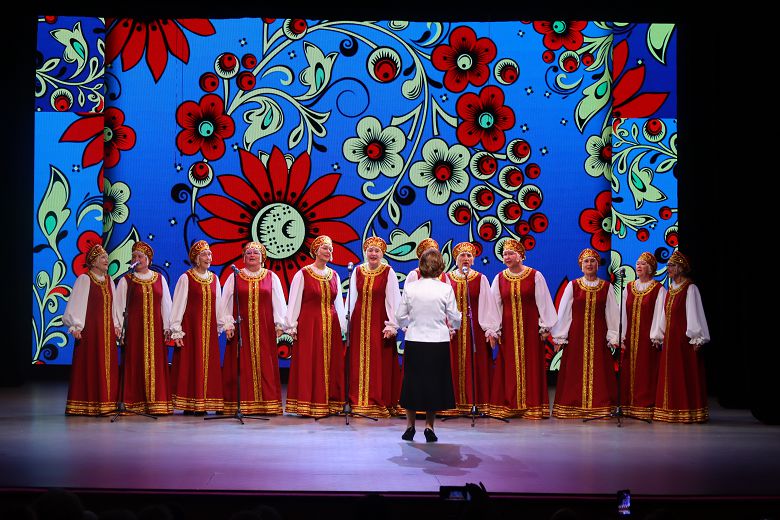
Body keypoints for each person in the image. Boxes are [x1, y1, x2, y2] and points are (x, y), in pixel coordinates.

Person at [396, 247, 462, 442]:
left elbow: (400, 316)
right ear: (440, 267)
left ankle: (410, 426)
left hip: (415, 339)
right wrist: (454, 325)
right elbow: (454, 317)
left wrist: (408, 325)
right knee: (434, 383)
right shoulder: (445, 288)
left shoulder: (411, 288)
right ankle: (429, 426)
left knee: (412, 382)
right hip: (438, 341)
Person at [489, 239, 557, 419]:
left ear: (520, 256)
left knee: (531, 366)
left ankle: (532, 406)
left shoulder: (535, 276)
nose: (507, 257)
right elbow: (494, 306)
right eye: (504, 254)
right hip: (508, 332)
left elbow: (544, 302)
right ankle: (511, 405)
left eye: (511, 253)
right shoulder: (499, 278)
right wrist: (494, 330)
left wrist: (545, 326)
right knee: (509, 367)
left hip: (530, 330)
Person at [550, 248, 619, 419]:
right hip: (576, 337)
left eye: (592, 261)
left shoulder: (606, 287)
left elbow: (612, 313)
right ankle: (573, 405)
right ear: (581, 265)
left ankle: (599, 405)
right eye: (586, 261)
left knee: (600, 370)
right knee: (574, 369)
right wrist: (560, 337)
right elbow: (564, 312)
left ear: (598, 265)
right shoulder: (573, 286)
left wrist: (613, 336)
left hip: (599, 336)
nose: (589, 264)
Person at [284, 235, 348, 417]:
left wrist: (342, 326)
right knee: (309, 362)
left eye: (330, 249)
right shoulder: (303, 274)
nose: (329, 251)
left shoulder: (334, 275)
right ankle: (308, 403)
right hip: (309, 325)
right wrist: (292, 325)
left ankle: (329, 403)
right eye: (325, 248)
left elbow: (339, 304)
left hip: (331, 325)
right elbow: (294, 301)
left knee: (331, 363)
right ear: (316, 251)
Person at [221, 241, 287, 415]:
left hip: (264, 328)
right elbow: (225, 302)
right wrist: (228, 324)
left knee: (265, 364)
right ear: (243, 257)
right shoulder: (234, 277)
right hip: (241, 329)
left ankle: (266, 404)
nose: (252, 255)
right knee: (241, 365)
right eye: (248, 253)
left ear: (262, 258)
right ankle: (240, 404)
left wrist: (279, 324)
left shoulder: (271, 277)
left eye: (256, 253)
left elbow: (279, 302)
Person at [112, 241, 174, 415]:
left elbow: (166, 304)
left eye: (140, 256)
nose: (136, 259)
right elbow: (119, 306)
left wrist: (168, 327)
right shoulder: (126, 280)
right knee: (134, 363)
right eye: (134, 257)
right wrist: (119, 328)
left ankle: (156, 403)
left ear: (148, 260)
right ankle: (133, 402)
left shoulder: (159, 279)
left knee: (156, 365)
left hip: (155, 331)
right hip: (135, 331)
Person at [650, 250, 710, 423]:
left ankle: (686, 410)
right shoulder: (671, 289)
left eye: (672, 265)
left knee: (684, 373)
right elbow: (664, 315)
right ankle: (670, 409)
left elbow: (694, 313)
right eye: (668, 265)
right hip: (671, 340)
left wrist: (696, 337)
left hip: (683, 340)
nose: (669, 268)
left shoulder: (690, 288)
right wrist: (659, 335)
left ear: (681, 268)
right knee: (671, 374)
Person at [346, 236, 402, 417]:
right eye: (370, 250)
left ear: (382, 254)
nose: (373, 253)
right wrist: (347, 324)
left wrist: (392, 325)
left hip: (379, 323)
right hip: (359, 323)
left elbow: (394, 299)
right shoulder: (357, 271)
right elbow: (352, 299)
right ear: (365, 252)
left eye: (377, 251)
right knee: (357, 361)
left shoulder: (388, 272)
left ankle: (378, 401)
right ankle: (358, 401)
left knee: (379, 362)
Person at [442, 241, 500, 417]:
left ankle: (477, 403)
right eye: (462, 255)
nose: (465, 258)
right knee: (451, 364)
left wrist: (490, 329)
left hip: (475, 330)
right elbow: (442, 304)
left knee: (476, 364)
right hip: (453, 331)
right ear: (456, 259)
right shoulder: (447, 278)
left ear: (473, 260)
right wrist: (446, 324)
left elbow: (487, 305)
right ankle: (452, 404)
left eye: (469, 255)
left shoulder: (480, 279)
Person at [168, 240, 224, 415]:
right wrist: (176, 330)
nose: (208, 257)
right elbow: (178, 304)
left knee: (207, 365)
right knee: (190, 365)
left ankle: (204, 402)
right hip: (191, 330)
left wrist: (220, 325)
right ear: (196, 258)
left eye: (210, 254)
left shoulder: (214, 279)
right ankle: (189, 403)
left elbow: (219, 306)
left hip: (208, 331)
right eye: (204, 255)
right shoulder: (186, 278)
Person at [63, 244, 119, 415]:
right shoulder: (85, 279)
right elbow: (77, 303)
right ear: (93, 261)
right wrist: (75, 325)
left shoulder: (109, 280)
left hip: (107, 332)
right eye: (102, 257)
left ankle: (106, 402)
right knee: (91, 365)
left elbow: (114, 307)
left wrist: (116, 325)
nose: (106, 260)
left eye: (106, 257)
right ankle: (87, 403)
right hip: (91, 332)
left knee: (106, 366)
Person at [619, 251, 666, 420]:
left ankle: (645, 405)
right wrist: (621, 336)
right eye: (638, 263)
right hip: (630, 338)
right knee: (628, 371)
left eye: (643, 264)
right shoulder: (629, 287)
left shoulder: (658, 289)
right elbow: (622, 313)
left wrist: (657, 336)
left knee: (646, 371)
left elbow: (661, 315)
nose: (639, 266)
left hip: (648, 339)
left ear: (651, 268)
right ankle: (627, 405)